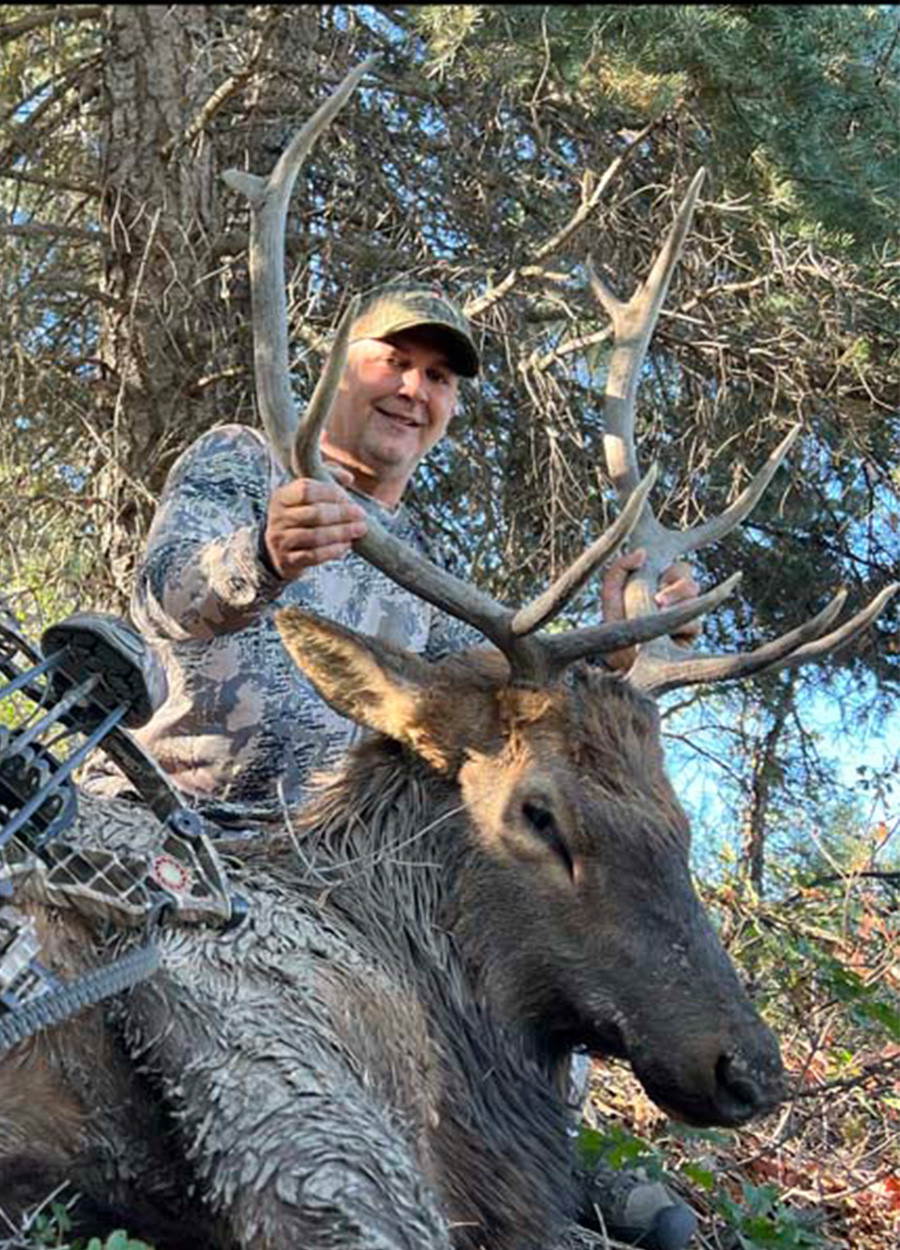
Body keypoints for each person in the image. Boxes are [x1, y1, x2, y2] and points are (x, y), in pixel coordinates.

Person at [87, 283, 699, 1248]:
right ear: (338, 365)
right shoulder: (242, 464)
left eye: (440, 376)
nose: (416, 388)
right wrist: (262, 554)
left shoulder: (429, 579)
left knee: (508, 949)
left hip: (343, 901)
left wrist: (613, 648)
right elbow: (169, 588)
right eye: (394, 361)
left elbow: (508, 704)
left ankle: (539, 1167)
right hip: (183, 845)